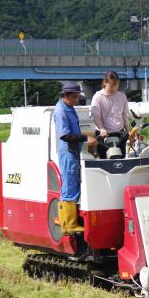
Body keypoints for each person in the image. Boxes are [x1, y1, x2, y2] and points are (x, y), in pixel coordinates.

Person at [53, 82, 97, 235]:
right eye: (74, 97)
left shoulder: (69, 108)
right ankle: (70, 224)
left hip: (73, 152)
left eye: (78, 96)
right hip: (68, 152)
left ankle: (64, 221)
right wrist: (86, 138)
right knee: (70, 186)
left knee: (69, 185)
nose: (77, 99)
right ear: (65, 95)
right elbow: (64, 135)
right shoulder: (61, 111)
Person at [90, 71, 130, 158]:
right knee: (105, 161)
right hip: (104, 134)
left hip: (120, 133)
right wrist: (101, 129)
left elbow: (125, 115)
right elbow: (96, 116)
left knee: (121, 160)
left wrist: (128, 131)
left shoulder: (122, 96)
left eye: (117, 85)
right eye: (112, 85)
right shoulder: (98, 97)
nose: (114, 88)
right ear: (105, 82)